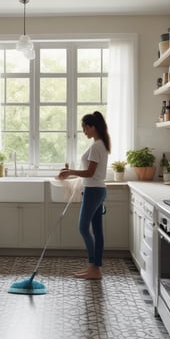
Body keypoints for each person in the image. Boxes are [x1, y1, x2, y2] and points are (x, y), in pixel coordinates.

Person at [59, 111, 111, 280]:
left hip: (94, 191)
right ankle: (95, 269)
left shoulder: (97, 146)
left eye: (84, 128)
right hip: (97, 190)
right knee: (97, 231)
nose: (84, 132)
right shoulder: (100, 144)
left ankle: (93, 266)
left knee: (83, 227)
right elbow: (91, 174)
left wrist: (69, 172)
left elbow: (90, 172)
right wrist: (72, 174)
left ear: (92, 127)